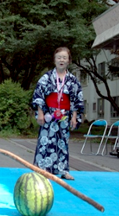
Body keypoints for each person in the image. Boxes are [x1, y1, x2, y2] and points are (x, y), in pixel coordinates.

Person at [32, 47, 84, 180]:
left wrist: (74, 117)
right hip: (49, 113)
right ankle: (41, 168)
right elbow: (38, 95)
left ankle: (63, 169)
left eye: (64, 58)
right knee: (45, 141)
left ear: (69, 61)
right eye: (59, 57)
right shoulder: (47, 77)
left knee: (62, 142)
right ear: (54, 60)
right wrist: (40, 113)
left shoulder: (72, 80)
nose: (61, 60)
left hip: (64, 115)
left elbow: (77, 99)